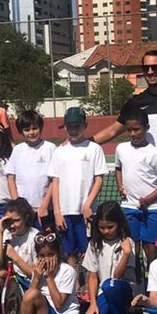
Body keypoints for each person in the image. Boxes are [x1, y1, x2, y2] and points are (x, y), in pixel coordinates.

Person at [92, 50, 157, 165]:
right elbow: (113, 131)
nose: (150, 72)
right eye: (146, 68)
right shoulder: (135, 103)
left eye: (155, 67)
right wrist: (85, 143)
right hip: (145, 172)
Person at [0, 226, 81, 314]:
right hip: (48, 313)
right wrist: (37, 277)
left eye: (51, 255)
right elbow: (29, 297)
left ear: (59, 253)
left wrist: (49, 278)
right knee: (31, 303)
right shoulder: (38, 269)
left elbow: (59, 304)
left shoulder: (67, 271)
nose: (46, 259)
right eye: (42, 256)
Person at [47, 107, 107, 267]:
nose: (73, 130)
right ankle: (73, 281)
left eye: (77, 126)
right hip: (65, 213)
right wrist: (57, 212)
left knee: (90, 251)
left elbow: (99, 179)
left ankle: (89, 281)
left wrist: (88, 205)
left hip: (87, 214)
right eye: (70, 127)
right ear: (65, 127)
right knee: (69, 253)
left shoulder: (94, 149)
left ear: (85, 126)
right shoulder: (59, 151)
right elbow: (55, 182)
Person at [115, 108, 157, 265]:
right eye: (129, 130)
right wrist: (120, 186)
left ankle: (153, 278)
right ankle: (135, 278)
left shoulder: (155, 153)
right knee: (132, 249)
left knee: (151, 249)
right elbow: (118, 168)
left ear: (146, 128)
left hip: (152, 209)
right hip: (128, 207)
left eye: (137, 129)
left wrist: (148, 200)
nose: (133, 133)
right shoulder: (121, 149)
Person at [81, 202, 138, 314]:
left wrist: (126, 253)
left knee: (110, 285)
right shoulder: (94, 243)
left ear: (119, 224)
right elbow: (92, 275)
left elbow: (117, 276)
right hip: (105, 292)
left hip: (124, 291)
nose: (106, 231)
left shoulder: (128, 242)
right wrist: (93, 303)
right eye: (102, 227)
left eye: (110, 227)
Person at [5, 110, 56, 226]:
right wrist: (18, 205)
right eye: (27, 130)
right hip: (23, 212)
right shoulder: (17, 150)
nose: (31, 133)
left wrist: (44, 206)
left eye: (34, 128)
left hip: (46, 210)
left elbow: (54, 181)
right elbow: (11, 179)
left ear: (41, 128)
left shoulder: (50, 148)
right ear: (21, 131)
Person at [0, 198, 38, 294]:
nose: (12, 225)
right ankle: (11, 299)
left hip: (29, 282)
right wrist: (0, 232)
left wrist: (15, 256)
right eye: (9, 221)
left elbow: (35, 276)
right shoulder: (6, 233)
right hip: (14, 278)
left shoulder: (35, 237)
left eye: (16, 220)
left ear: (26, 218)